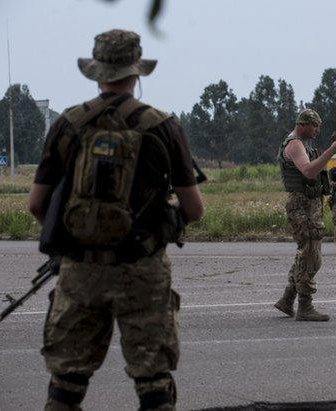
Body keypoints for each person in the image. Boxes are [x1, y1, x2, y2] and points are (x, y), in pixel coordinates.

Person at [28, 29, 204, 411]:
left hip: (80, 272)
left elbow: (37, 205)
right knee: (153, 382)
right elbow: (194, 210)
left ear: (96, 70)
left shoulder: (68, 124)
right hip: (142, 270)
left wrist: (76, 239)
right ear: (136, 72)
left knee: (66, 382)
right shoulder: (162, 126)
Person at [273, 109, 336, 321]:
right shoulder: (294, 144)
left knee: (305, 253)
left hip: (309, 204)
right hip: (302, 205)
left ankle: (287, 299)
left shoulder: (302, 143)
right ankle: (305, 306)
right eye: (315, 126)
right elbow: (308, 171)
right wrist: (330, 151)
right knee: (311, 255)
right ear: (303, 124)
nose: (317, 130)